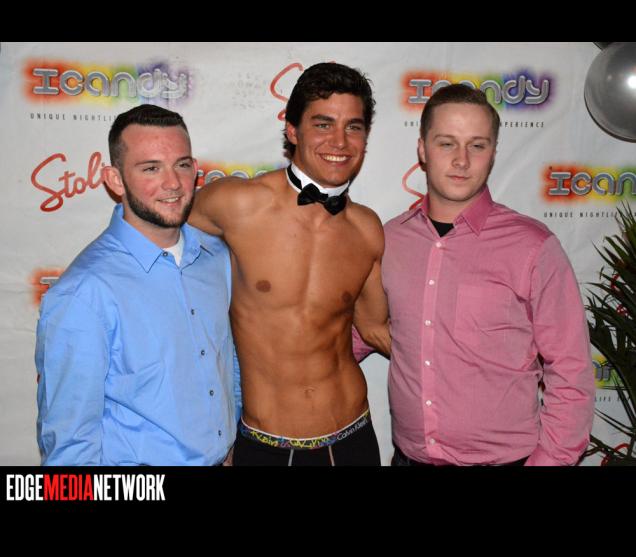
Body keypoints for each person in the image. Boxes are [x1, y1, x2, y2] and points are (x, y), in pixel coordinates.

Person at [354, 84, 596, 466]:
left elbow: (571, 371)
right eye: (446, 143)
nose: (461, 160)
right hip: (407, 459)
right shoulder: (389, 241)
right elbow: (352, 336)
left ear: (493, 153)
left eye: (477, 145)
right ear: (422, 149)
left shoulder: (533, 247)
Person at [189, 62, 390, 466]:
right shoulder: (236, 204)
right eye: (323, 124)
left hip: (354, 436)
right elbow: (154, 232)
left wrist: (456, 361)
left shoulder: (367, 229)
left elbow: (373, 328)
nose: (340, 141)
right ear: (293, 130)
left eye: (353, 126)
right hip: (265, 443)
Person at [36, 104, 241, 466]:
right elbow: (70, 444)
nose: (173, 183)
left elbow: (227, 365)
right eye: (151, 168)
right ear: (115, 180)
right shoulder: (85, 292)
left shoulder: (216, 259)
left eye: (181, 165)